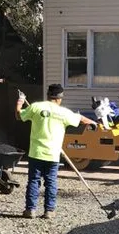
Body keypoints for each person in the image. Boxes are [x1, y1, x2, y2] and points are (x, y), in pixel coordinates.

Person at [15, 84, 97, 220]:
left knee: (34, 181)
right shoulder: (64, 113)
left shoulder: (36, 107)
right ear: (60, 98)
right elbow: (80, 118)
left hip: (36, 153)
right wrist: (93, 123)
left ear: (48, 95)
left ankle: (30, 210)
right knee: (51, 182)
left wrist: (20, 102)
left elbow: (19, 116)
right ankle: (49, 211)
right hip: (52, 154)